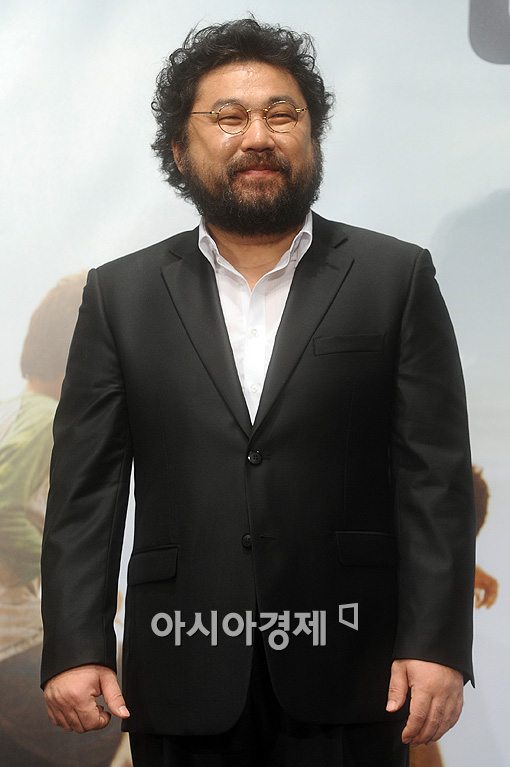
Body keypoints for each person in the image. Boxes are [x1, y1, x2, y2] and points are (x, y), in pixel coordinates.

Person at [40, 18, 476, 767]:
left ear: (312, 137)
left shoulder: (394, 277)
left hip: (356, 669)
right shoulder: (121, 295)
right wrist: (77, 644)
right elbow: (86, 491)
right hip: (181, 667)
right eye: (228, 117)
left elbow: (433, 477)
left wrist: (436, 641)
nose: (258, 137)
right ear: (179, 149)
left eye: (281, 115)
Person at [0, 274, 123, 766]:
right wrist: (73, 578)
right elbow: (4, 507)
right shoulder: (45, 421)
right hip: (13, 640)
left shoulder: (14, 411)